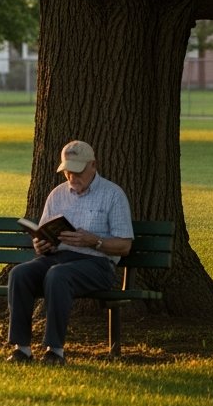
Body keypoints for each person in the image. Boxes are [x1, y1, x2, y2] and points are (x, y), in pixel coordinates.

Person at [7, 140, 134, 365]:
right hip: (57, 258)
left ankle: (54, 350)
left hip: (97, 264)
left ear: (93, 165)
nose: (71, 177)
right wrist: (42, 244)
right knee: (19, 274)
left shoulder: (113, 195)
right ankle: (22, 350)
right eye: (67, 172)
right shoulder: (57, 195)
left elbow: (124, 246)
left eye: (77, 171)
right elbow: (43, 233)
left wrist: (94, 241)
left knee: (58, 275)